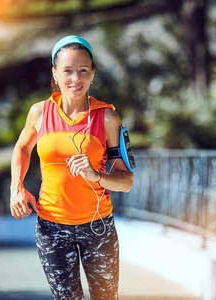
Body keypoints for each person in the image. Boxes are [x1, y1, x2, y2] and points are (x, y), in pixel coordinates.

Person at [10, 35, 134, 300]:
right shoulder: (39, 113)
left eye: (83, 71)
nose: (75, 79)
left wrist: (96, 175)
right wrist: (16, 188)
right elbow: (22, 148)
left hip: (98, 228)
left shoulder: (107, 117)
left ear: (92, 74)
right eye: (67, 71)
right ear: (55, 74)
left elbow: (126, 181)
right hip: (51, 228)